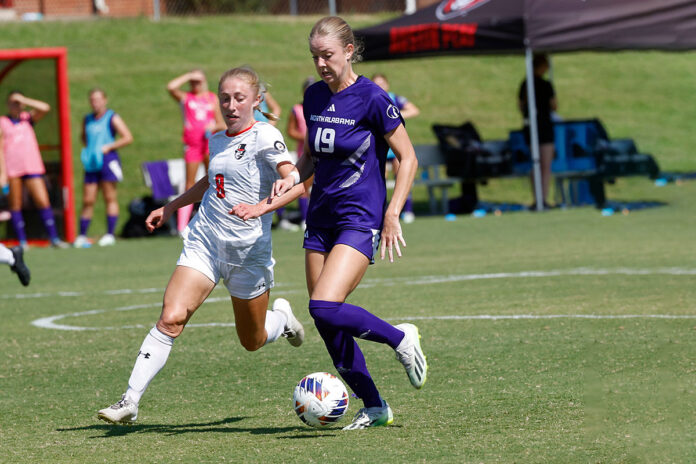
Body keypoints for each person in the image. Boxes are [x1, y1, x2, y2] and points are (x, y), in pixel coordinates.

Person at [233, 16, 428, 431]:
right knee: (324, 318)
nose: (321, 64)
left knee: (324, 304)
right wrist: (280, 190)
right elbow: (309, 159)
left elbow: (408, 158)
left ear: (349, 51)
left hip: (359, 218)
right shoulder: (314, 96)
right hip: (318, 217)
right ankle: (375, 406)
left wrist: (392, 213)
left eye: (328, 55)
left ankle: (400, 338)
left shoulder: (374, 98)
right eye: (315, 56)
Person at [97, 66, 305, 425]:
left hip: (248, 253)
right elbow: (211, 180)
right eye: (225, 98)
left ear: (256, 100)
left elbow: (293, 174)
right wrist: (169, 206)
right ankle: (129, 400)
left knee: (252, 341)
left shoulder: (265, 136)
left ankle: (282, 318)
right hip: (205, 242)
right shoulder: (216, 139)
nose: (231, 104)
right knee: (170, 318)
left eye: (240, 98)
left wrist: (268, 200)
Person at [0, 91, 68, 248]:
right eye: (12, 102)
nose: (16, 105)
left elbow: (45, 107)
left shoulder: (27, 119)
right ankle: (22, 242)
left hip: (31, 166)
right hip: (13, 169)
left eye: (18, 103)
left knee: (42, 201)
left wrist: (24, 99)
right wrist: (2, 173)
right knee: (15, 204)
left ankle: (54, 239)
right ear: (7, 104)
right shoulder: (3, 122)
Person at [73, 88, 134, 248]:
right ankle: (82, 235)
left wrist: (109, 147)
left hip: (108, 160)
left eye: (98, 99)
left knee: (109, 197)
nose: (95, 103)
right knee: (88, 199)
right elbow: (84, 137)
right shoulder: (87, 119)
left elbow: (127, 137)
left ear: (105, 100)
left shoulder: (111, 117)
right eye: (92, 99)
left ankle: (110, 234)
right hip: (92, 162)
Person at [167, 70, 225, 233]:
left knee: (214, 179)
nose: (195, 85)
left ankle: (217, 217)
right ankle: (182, 225)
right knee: (189, 182)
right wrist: (188, 75)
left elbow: (222, 123)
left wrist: (213, 126)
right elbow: (170, 87)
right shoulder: (186, 98)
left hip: (208, 143)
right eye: (193, 82)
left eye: (198, 82)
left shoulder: (211, 99)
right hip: (192, 144)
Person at [372, 73, 420, 223]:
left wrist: (394, 116)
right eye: (376, 83)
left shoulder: (393, 98)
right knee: (380, 180)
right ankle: (380, 211)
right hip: (378, 148)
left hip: (394, 147)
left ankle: (407, 211)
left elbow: (414, 110)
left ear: (387, 84)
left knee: (402, 175)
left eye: (382, 83)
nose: (379, 86)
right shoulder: (370, 99)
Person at [518, 53, 557, 210]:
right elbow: (554, 106)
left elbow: (521, 106)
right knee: (545, 164)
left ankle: (537, 199)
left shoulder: (525, 84)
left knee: (535, 163)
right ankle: (543, 199)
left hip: (530, 127)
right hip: (544, 128)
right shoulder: (545, 85)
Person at [285, 76, 315, 230]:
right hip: (305, 152)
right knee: (304, 186)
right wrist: (304, 137)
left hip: (322, 152)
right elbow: (290, 130)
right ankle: (305, 219)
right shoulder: (297, 109)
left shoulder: (323, 105)